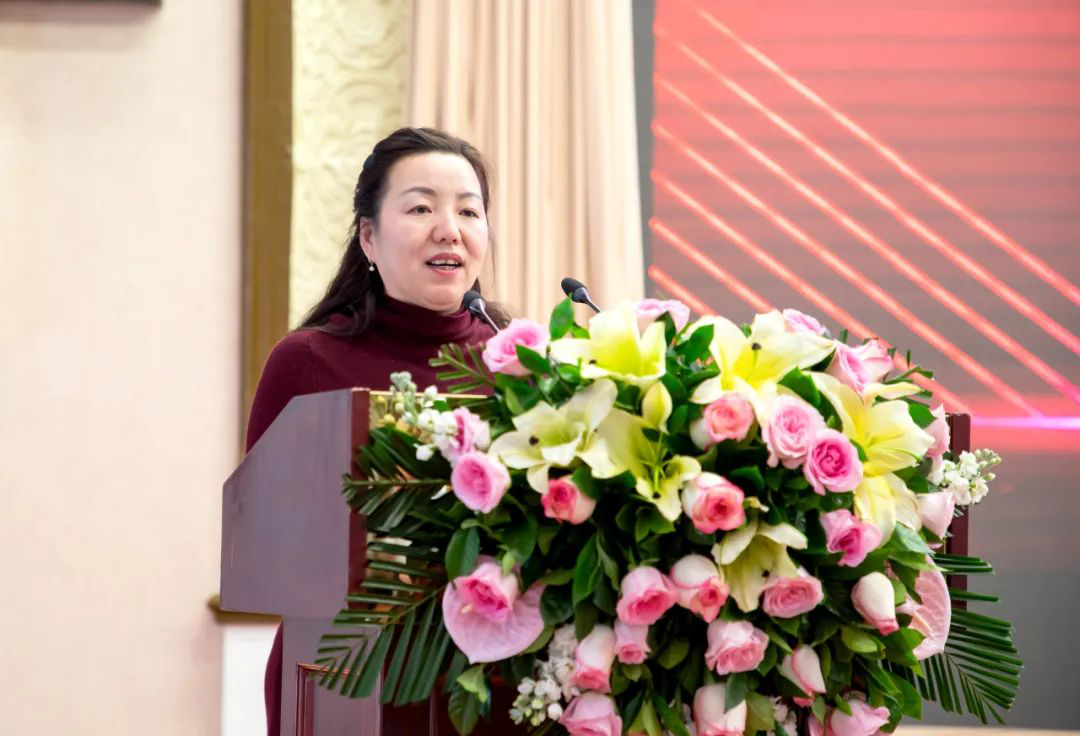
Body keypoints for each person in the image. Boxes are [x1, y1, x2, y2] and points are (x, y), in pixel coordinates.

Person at [244, 127, 509, 736]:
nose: (449, 229)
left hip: (494, 685)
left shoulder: (520, 361)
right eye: (421, 208)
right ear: (369, 236)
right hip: (351, 681)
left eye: (469, 211)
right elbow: (265, 536)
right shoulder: (309, 361)